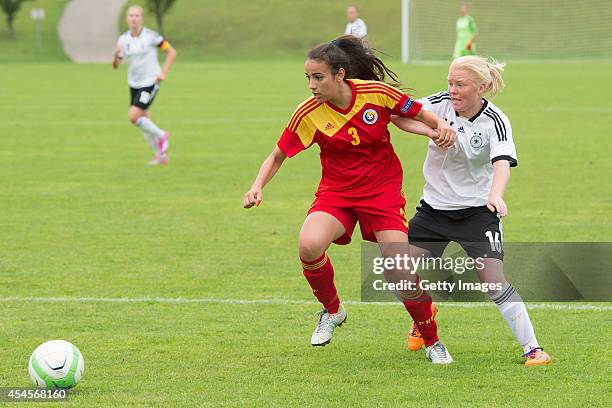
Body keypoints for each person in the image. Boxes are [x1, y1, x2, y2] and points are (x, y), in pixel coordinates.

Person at [243, 35, 456, 364]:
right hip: (337, 193)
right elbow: (277, 156)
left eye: (318, 77)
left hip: (381, 192)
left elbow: (416, 111)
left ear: (340, 75)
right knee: (308, 245)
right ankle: (332, 311)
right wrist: (257, 186)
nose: (311, 86)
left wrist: (438, 126)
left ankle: (432, 341)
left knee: (398, 268)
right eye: (308, 78)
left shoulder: (376, 94)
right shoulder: (308, 113)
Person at [392, 55, 552, 366]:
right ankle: (425, 312)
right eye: (450, 82)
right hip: (433, 211)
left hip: (477, 212)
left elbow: (502, 162)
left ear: (480, 87)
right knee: (397, 272)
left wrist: (496, 195)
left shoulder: (495, 120)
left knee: (492, 279)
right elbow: (397, 116)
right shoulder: (437, 104)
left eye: (460, 84)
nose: (452, 89)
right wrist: (430, 130)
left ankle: (533, 349)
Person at [113, 5, 177, 165]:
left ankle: (162, 135)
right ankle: (160, 156)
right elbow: (116, 65)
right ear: (127, 19)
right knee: (144, 120)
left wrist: (163, 73)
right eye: (131, 16)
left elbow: (171, 52)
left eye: (137, 16)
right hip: (133, 83)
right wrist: (115, 55)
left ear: (141, 18)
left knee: (133, 116)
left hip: (149, 81)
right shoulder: (123, 39)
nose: (134, 18)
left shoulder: (151, 36)